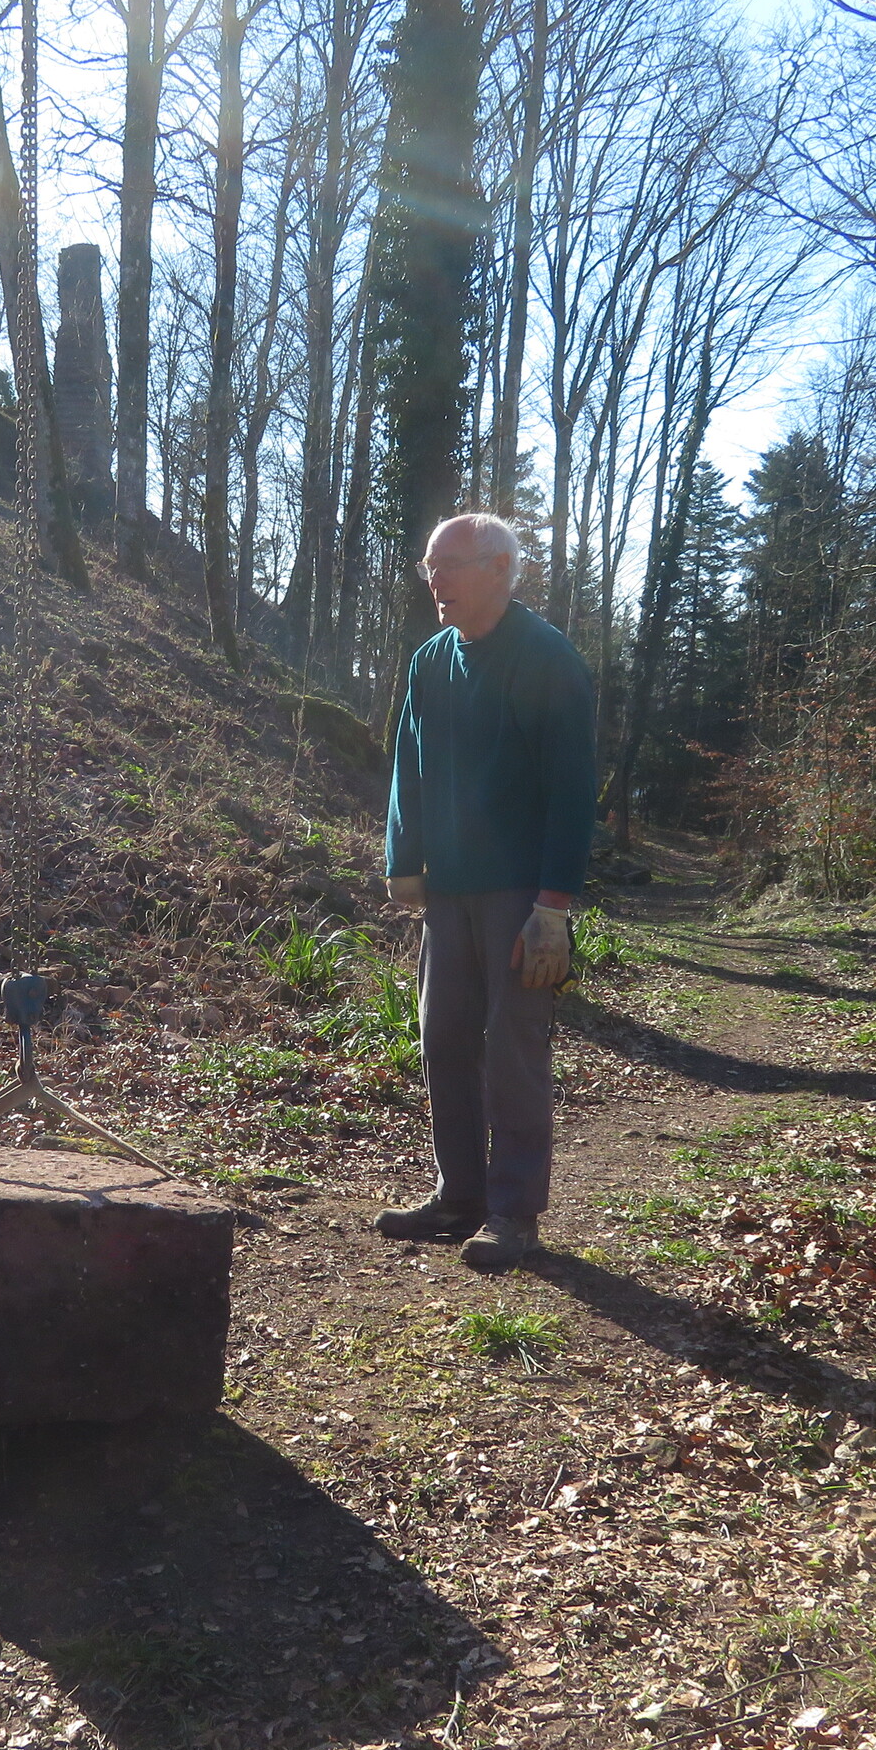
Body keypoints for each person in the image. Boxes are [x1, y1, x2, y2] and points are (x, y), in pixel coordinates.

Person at [373, 512, 598, 1273]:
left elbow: (573, 790)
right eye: (428, 567)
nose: (435, 581)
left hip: (520, 896)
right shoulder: (431, 661)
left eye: (450, 566)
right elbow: (408, 761)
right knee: (444, 1040)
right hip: (449, 891)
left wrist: (552, 907)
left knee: (513, 1049)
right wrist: (404, 857)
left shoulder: (548, 660)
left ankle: (513, 1212)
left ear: (499, 568)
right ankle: (458, 1196)